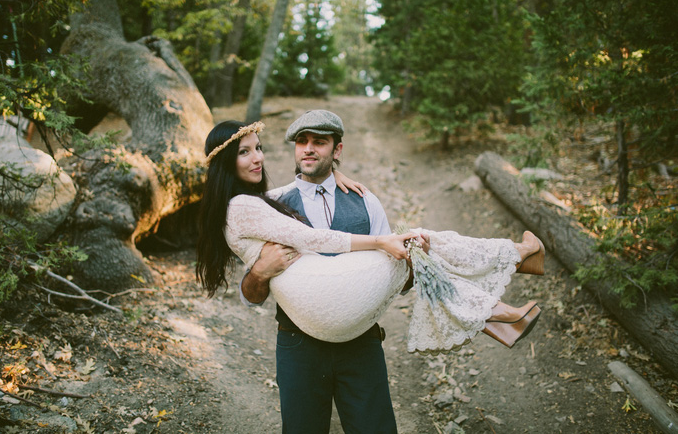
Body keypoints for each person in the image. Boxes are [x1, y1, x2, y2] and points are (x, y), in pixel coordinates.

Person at [196, 112, 545, 433]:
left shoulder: (365, 200)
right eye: (302, 142)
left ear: (337, 149)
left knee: (414, 249)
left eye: (319, 142)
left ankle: (496, 304)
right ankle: (507, 280)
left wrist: (398, 256)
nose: (309, 149)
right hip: (299, 342)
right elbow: (250, 293)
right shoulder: (273, 200)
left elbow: (402, 277)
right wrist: (259, 271)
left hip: (359, 340)